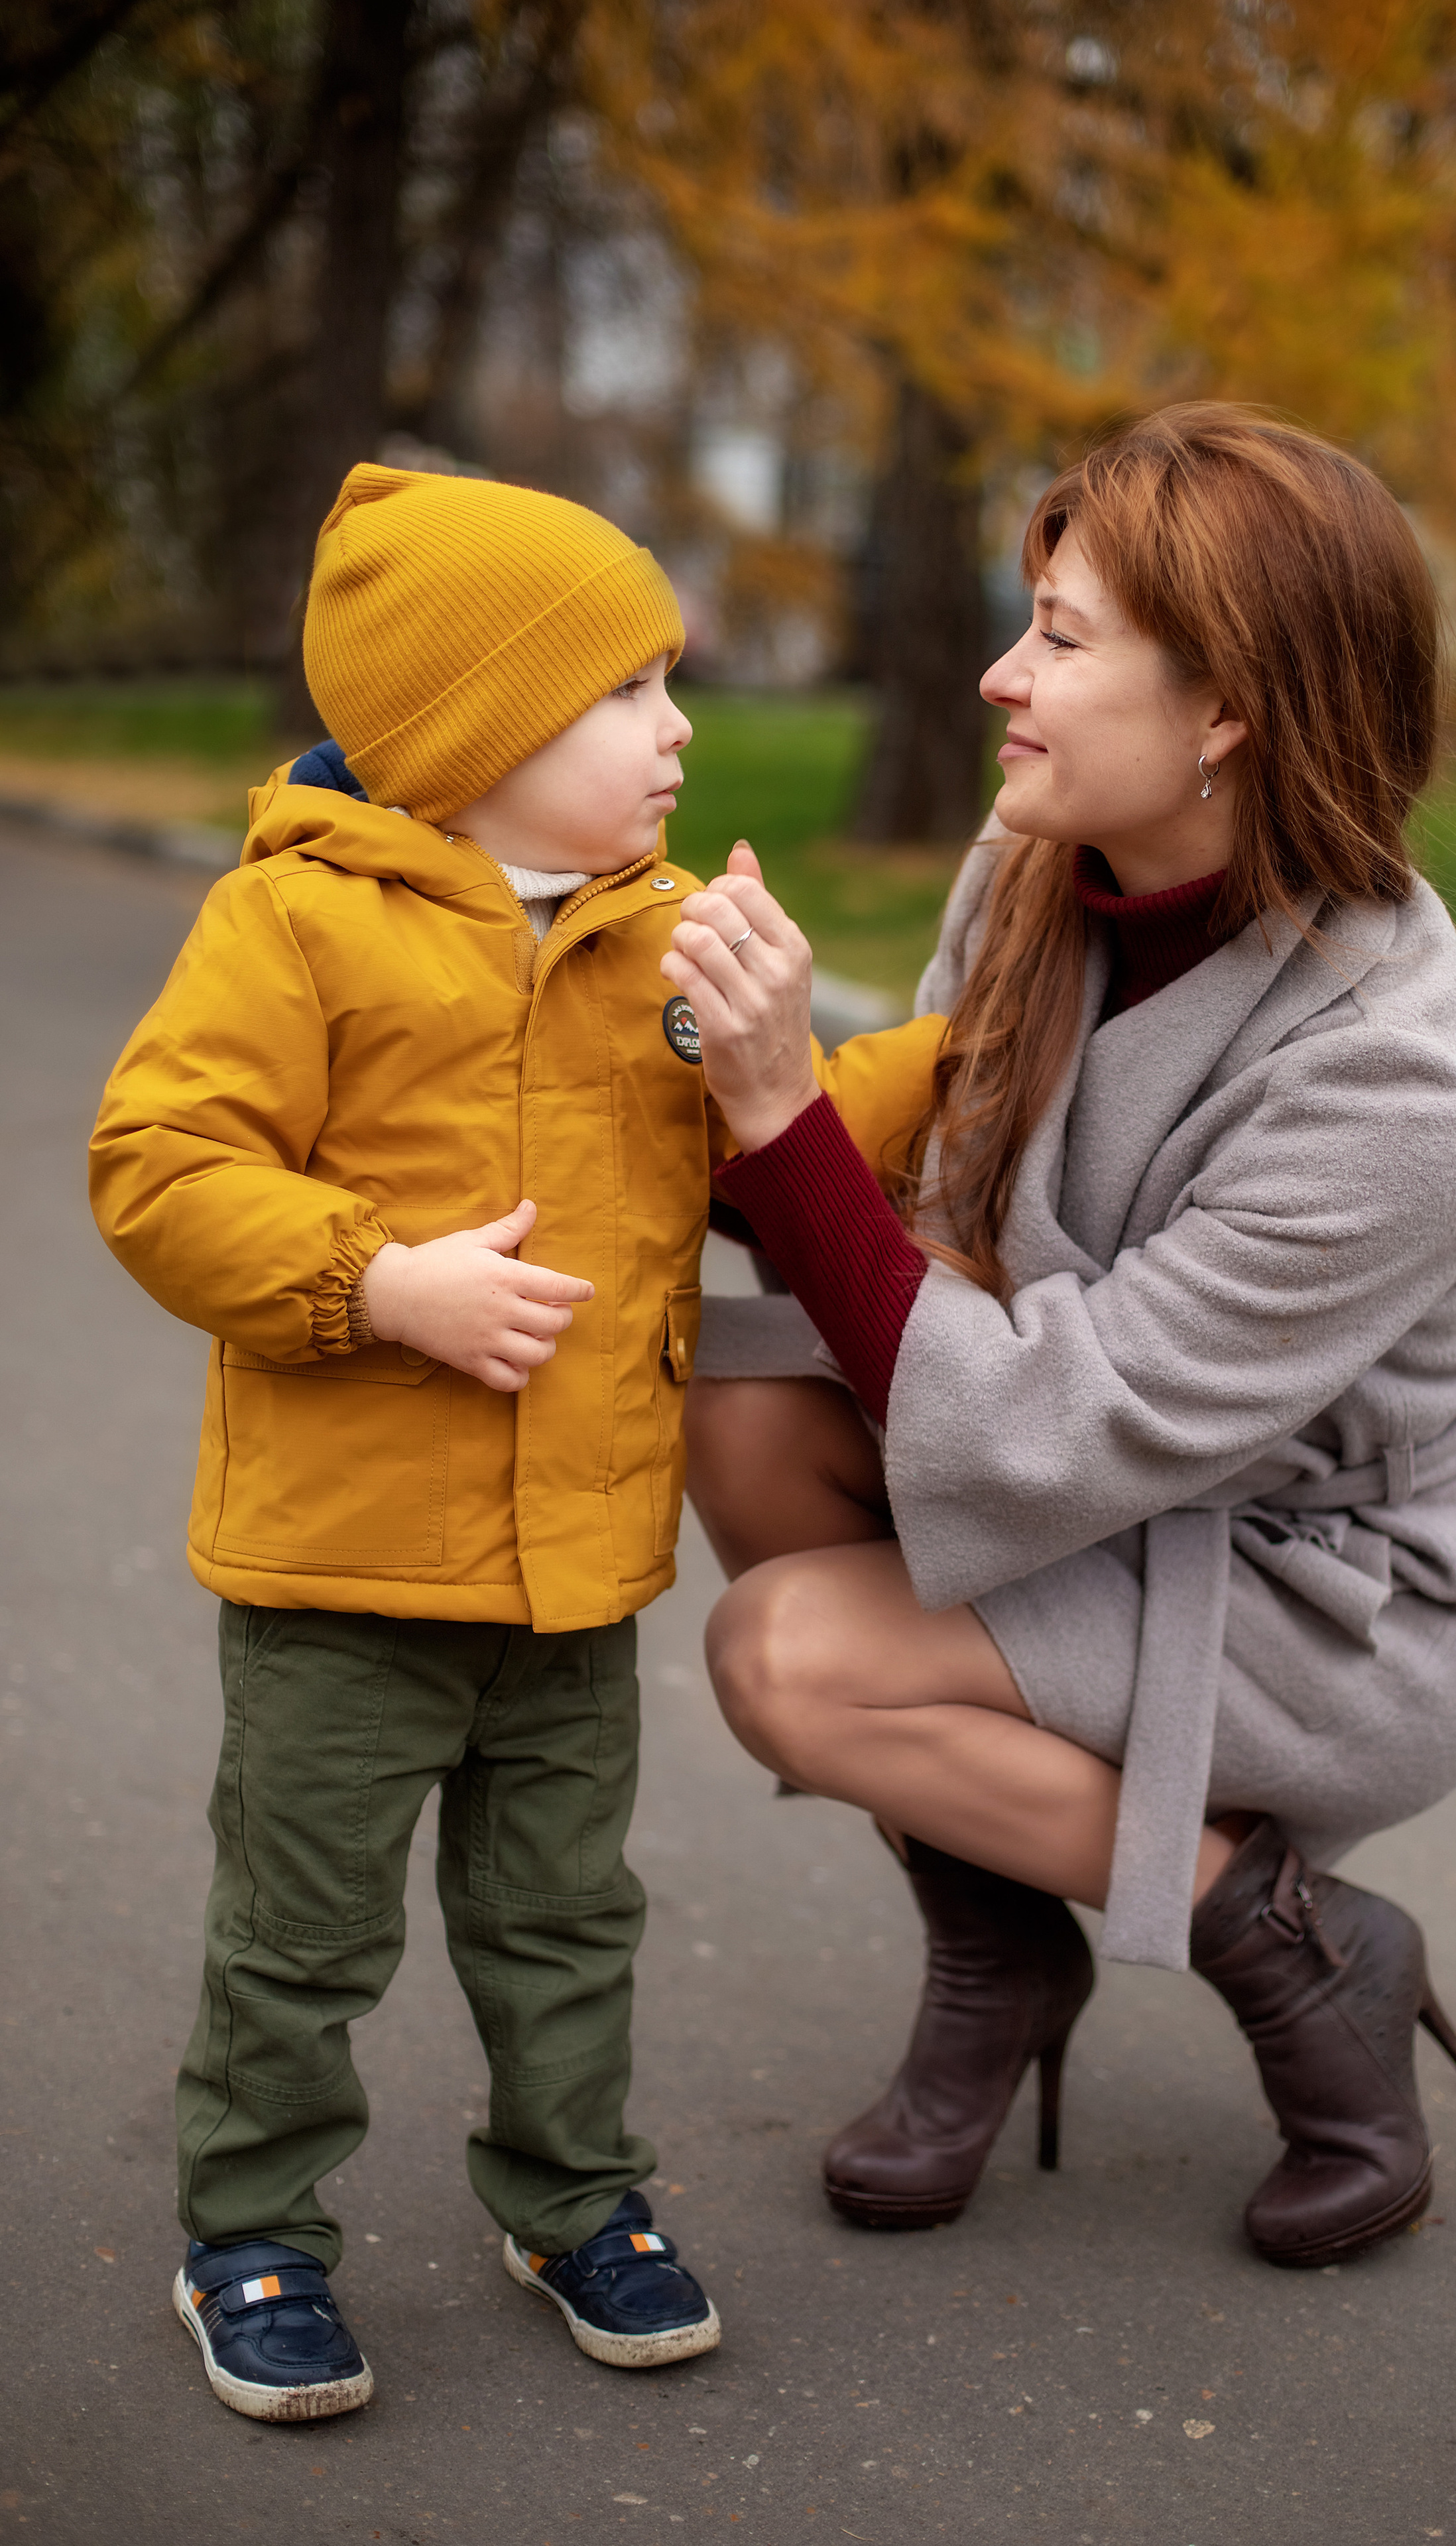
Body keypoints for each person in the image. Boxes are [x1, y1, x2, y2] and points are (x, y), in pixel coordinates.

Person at [660, 404, 1456, 2272]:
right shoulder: (1037, 867)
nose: (1003, 675)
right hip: (1110, 1474)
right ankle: (999, 1944)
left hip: (1340, 1591)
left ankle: (1308, 1948)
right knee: (733, 1412)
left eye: (1060, 639)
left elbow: (1042, 1424)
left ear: (1227, 707)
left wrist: (775, 1118)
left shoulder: (1407, 1085)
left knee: (791, 1662)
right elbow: (925, 1233)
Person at [89, 462, 737, 2420]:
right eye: (628, 691)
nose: (677, 727)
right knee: (303, 1933)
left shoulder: (665, 936)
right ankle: (254, 2231)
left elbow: (764, 1147)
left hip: (574, 1571)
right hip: (343, 1576)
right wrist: (380, 1282)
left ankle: (576, 2198)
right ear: (476, 733)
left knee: (565, 1915)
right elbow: (160, 1169)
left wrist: (871, 1055)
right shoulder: (294, 926)